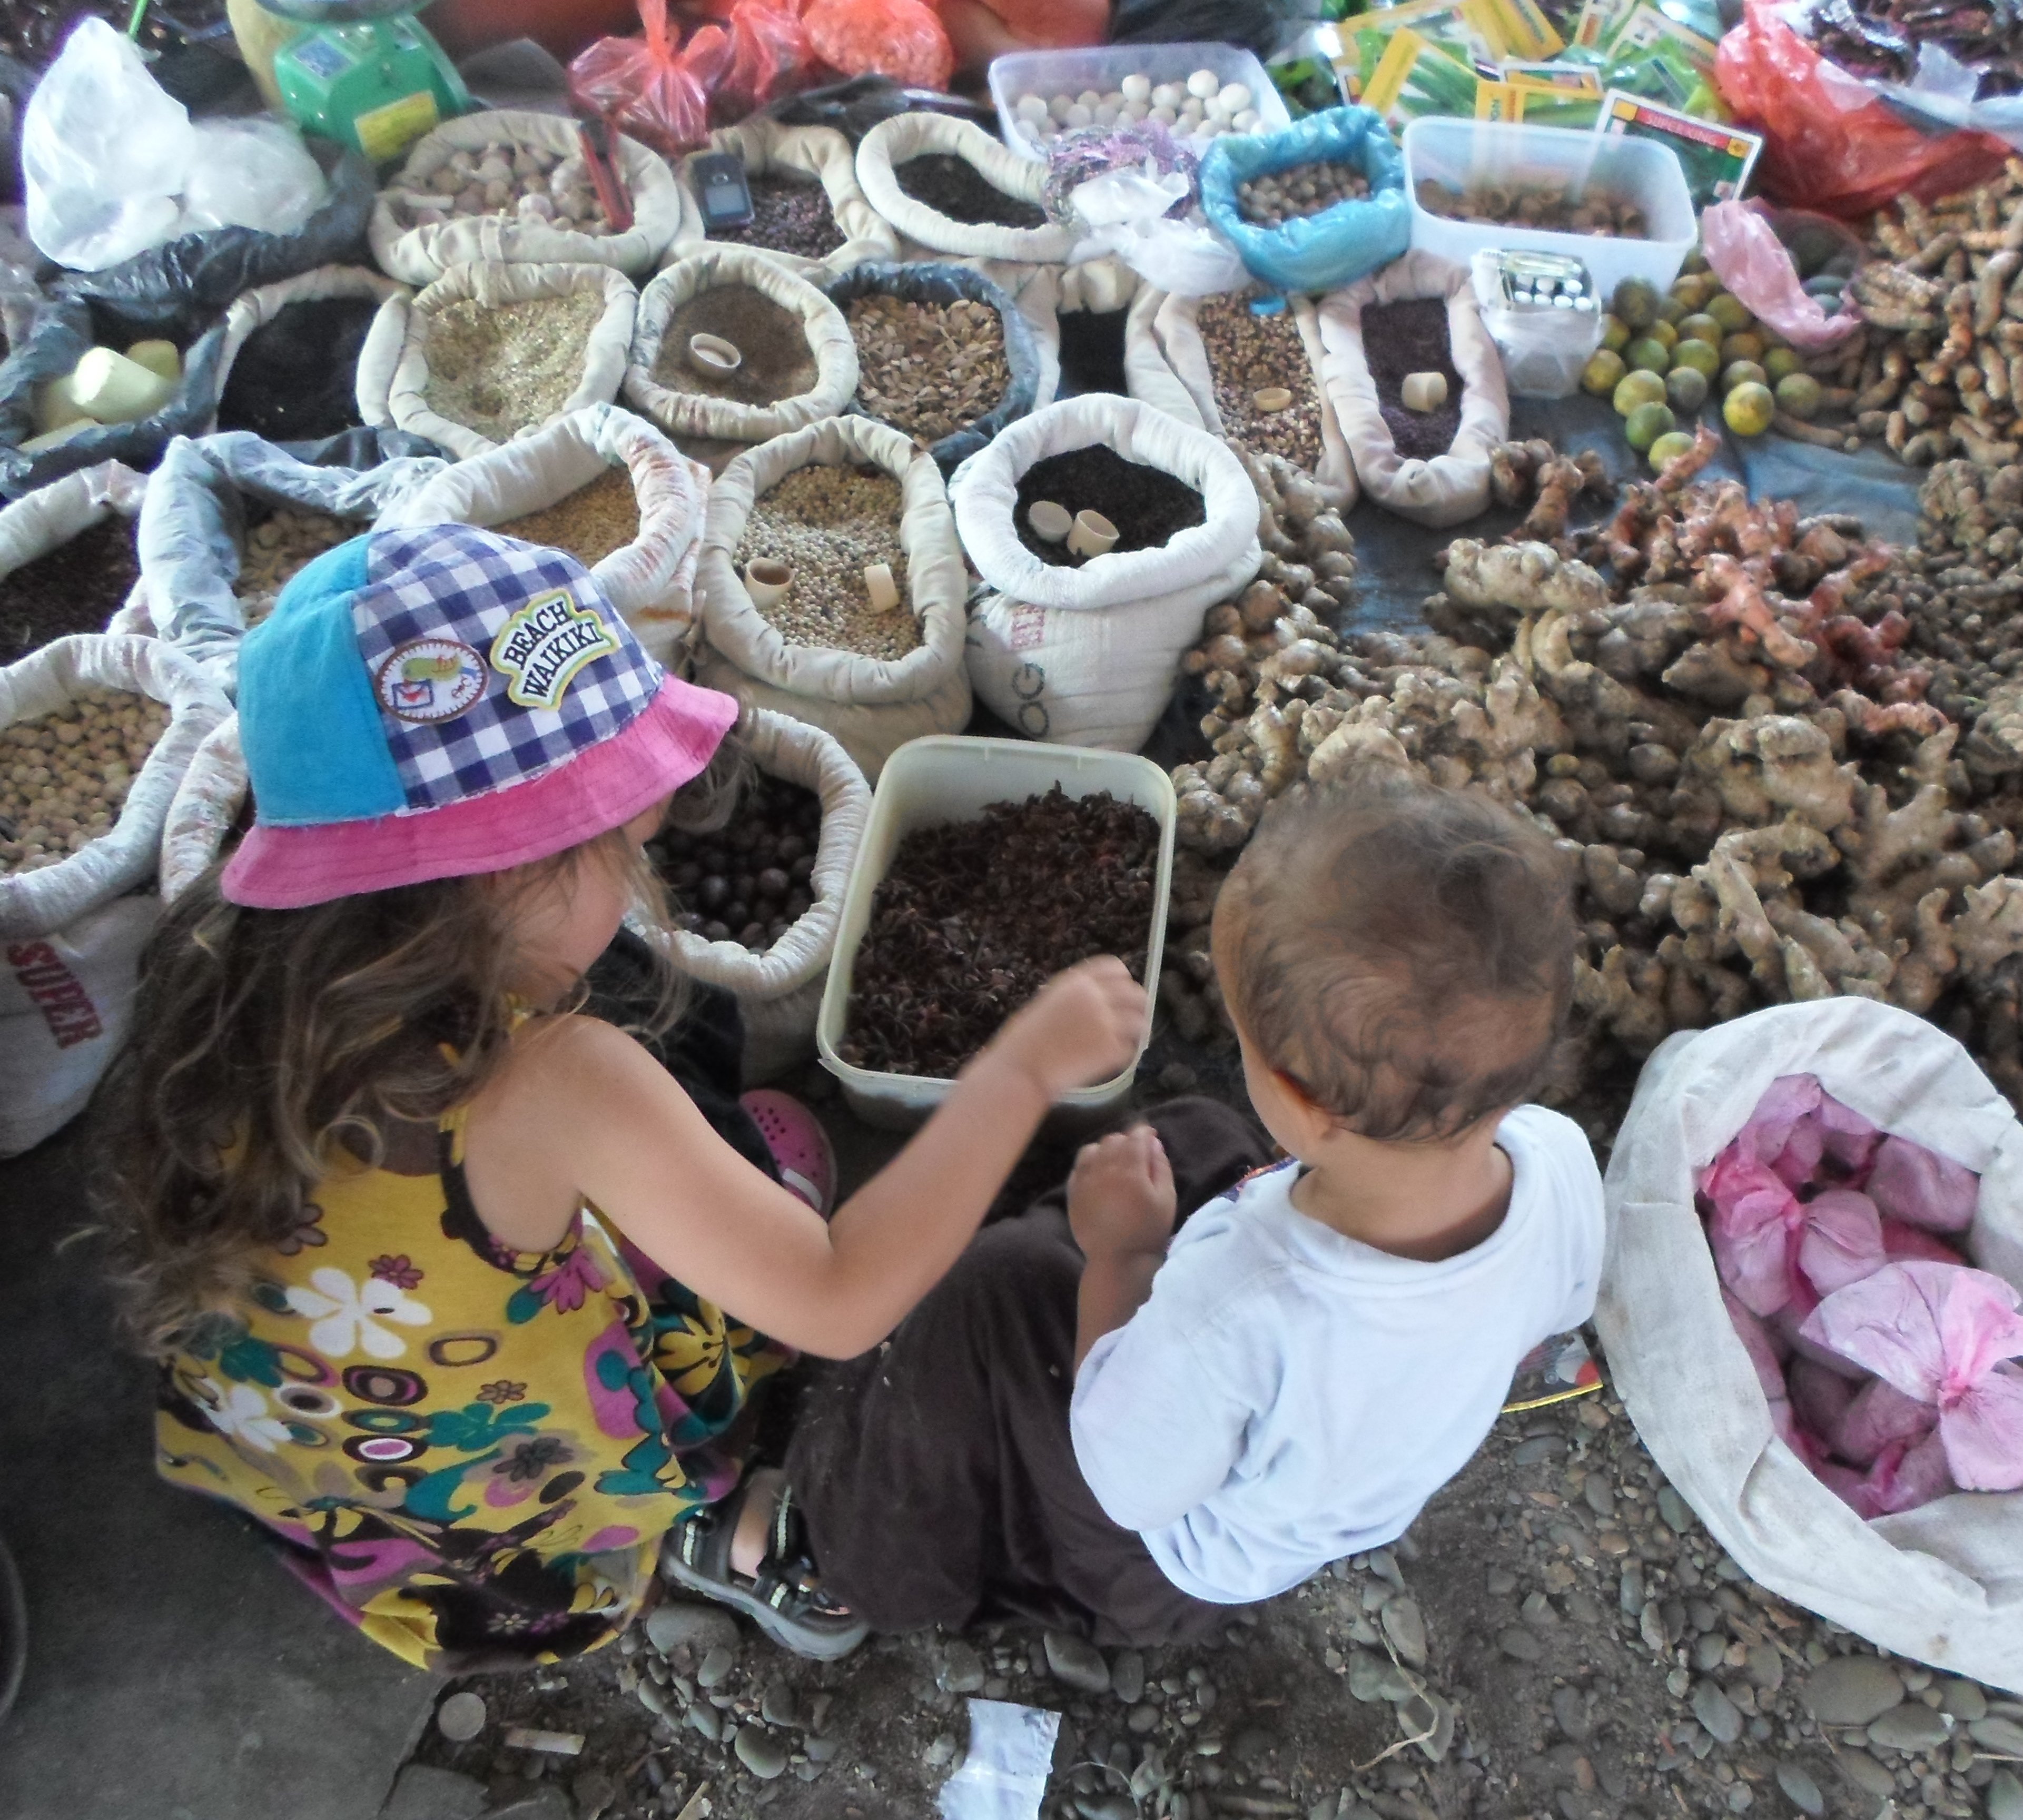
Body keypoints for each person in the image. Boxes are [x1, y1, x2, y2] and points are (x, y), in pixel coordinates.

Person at [92, 525, 1147, 1672]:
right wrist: (1021, 1068)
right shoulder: (556, 1081)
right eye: (616, 846)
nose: (646, 868)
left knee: (642, 1072)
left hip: (325, 1440)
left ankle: (688, 1230)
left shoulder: (224, 972)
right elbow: (840, 1300)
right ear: (500, 870)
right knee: (732, 1195)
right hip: (515, 1482)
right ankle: (715, 1527)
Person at [717, 779, 1605, 1646]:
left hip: (1161, 1557)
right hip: (1331, 1444)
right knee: (1203, 1136)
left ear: (1300, 1101)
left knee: (998, 1289)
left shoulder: (1241, 1299)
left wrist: (1126, 1258)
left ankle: (824, 1549)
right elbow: (1558, 1307)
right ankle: (1055, 1219)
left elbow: (1125, 1482)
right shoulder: (1557, 1159)